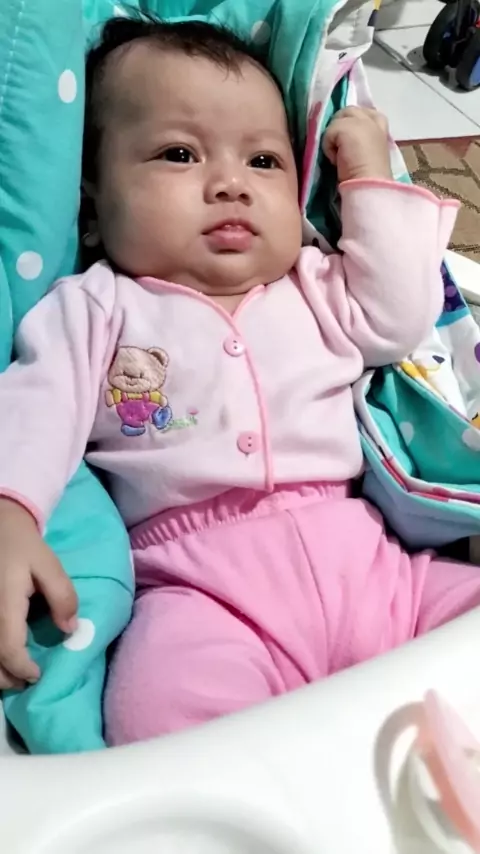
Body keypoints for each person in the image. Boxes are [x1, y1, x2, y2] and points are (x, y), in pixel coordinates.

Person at [0, 16, 476, 746]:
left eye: (263, 160)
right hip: (197, 589)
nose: (231, 184)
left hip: (375, 568)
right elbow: (37, 404)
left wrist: (366, 176)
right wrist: (12, 510)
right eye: (179, 153)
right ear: (92, 208)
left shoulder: (314, 283)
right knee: (156, 714)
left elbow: (401, 314)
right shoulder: (98, 305)